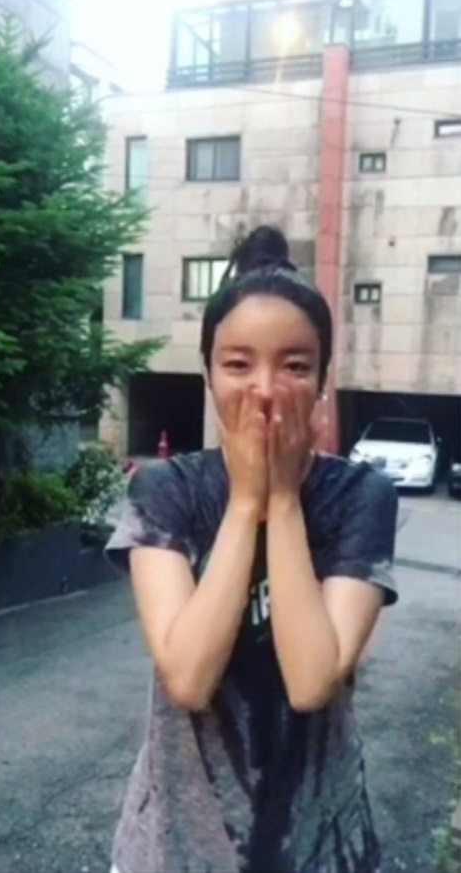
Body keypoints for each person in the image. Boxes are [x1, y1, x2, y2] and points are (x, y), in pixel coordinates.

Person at [105, 225, 398, 873]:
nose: (265, 389)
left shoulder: (361, 496)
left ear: (322, 381)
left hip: (320, 843)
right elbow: (187, 677)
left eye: (295, 365)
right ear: (209, 375)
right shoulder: (166, 490)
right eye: (238, 364)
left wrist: (283, 499)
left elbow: (312, 680)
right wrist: (245, 502)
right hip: (175, 847)